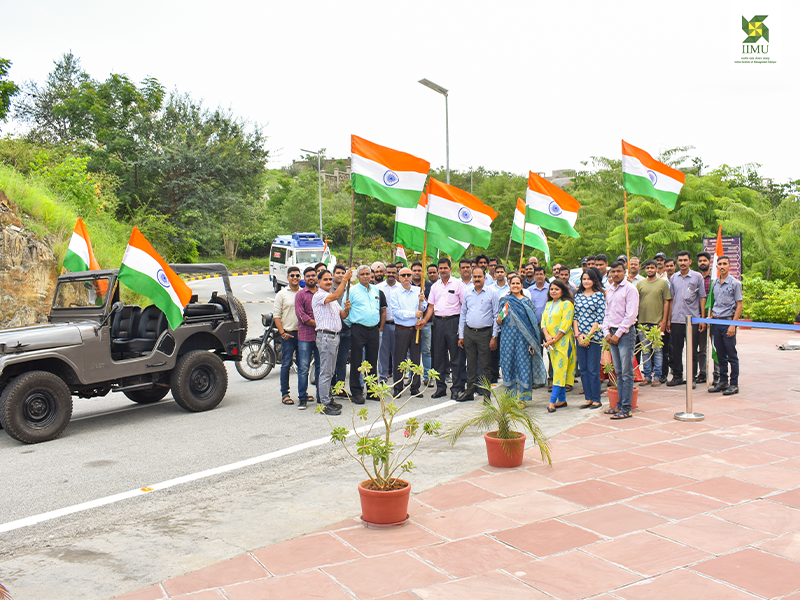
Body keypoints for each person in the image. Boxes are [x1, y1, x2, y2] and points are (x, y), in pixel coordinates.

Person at [421, 257, 465, 399]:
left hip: (453, 322)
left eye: (445, 268)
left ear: (451, 269)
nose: (443, 270)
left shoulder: (458, 284)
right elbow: (431, 307)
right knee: (438, 356)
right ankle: (440, 388)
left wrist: (461, 327)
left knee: (456, 357)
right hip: (438, 323)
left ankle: (457, 388)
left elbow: (464, 307)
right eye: (441, 268)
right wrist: (424, 320)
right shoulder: (435, 287)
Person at [497, 274, 546, 401]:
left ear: (522, 285)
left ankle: (524, 398)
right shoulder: (505, 301)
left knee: (524, 366)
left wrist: (532, 341)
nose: (515, 286)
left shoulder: (526, 302)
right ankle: (511, 399)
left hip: (523, 339)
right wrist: (499, 319)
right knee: (508, 366)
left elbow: (532, 323)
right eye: (513, 283)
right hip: (507, 339)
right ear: (509, 285)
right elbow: (499, 320)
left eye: (518, 283)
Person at [602, 261, 640, 419]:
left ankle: (626, 408)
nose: (616, 274)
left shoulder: (630, 289)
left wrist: (618, 334)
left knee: (626, 372)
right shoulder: (610, 290)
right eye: (613, 272)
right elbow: (607, 314)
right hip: (612, 333)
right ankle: (619, 405)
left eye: (619, 271)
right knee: (617, 372)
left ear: (625, 272)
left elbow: (631, 315)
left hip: (624, 334)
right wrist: (607, 333)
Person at [312, 268, 352, 416]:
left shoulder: (331, 298)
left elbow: (342, 315)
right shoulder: (319, 296)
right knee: (325, 371)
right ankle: (324, 403)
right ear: (319, 282)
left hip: (335, 337)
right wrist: (345, 280)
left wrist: (347, 309)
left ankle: (328, 398)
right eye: (326, 280)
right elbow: (336, 294)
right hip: (326, 337)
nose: (329, 282)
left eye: (330, 279)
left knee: (330, 370)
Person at [457, 268, 499, 401]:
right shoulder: (468, 292)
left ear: (485, 277)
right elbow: (463, 313)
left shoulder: (492, 293)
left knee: (485, 365)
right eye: (474, 276)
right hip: (469, 332)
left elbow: (496, 315)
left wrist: (494, 336)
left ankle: (486, 395)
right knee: (471, 364)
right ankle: (469, 392)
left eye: (479, 276)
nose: (477, 279)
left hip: (485, 333)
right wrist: (461, 335)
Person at [347, 265, 386, 403]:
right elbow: (345, 310)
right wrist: (350, 326)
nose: (365, 276)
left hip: (373, 329)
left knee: (372, 360)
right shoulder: (352, 290)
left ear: (371, 275)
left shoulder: (376, 290)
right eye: (362, 274)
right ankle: (356, 391)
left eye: (367, 274)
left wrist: (379, 328)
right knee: (357, 360)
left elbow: (380, 309)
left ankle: (371, 390)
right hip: (358, 329)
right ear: (357, 277)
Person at [667, 251, 706, 388]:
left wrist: (702, 318)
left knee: (692, 351)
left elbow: (702, 297)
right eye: (680, 260)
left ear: (690, 261)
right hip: (676, 319)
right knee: (676, 350)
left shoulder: (697, 277)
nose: (682, 263)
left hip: (692, 320)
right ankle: (677, 376)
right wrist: (669, 319)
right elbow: (671, 298)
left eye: (685, 260)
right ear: (677, 262)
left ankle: (691, 378)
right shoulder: (674, 278)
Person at [708, 256, 743, 396]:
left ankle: (734, 383)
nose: (722, 266)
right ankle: (723, 381)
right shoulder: (715, 283)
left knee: (731, 354)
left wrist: (733, 324)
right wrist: (711, 316)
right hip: (717, 322)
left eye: (724, 264)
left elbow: (739, 304)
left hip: (728, 321)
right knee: (720, 354)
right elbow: (715, 302)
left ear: (729, 266)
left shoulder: (735, 283)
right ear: (716, 267)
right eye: (719, 264)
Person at [573, 268, 606, 409]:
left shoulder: (599, 295)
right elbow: (575, 317)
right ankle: (588, 398)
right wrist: (578, 335)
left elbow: (600, 317)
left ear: (594, 280)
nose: (586, 281)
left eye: (589, 279)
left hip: (594, 337)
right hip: (580, 337)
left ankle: (596, 399)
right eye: (584, 279)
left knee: (593, 369)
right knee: (583, 369)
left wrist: (589, 336)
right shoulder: (578, 295)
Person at [541, 279, 576, 412]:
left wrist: (554, 339)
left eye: (557, 289)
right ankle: (561, 400)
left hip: (563, 342)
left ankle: (552, 402)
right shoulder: (549, 304)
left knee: (560, 371)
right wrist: (547, 336)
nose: (553, 291)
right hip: (551, 342)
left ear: (562, 291)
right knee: (556, 369)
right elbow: (543, 321)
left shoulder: (567, 304)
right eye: (552, 289)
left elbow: (565, 325)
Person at [391, 267, 426, 396]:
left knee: (416, 359)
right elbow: (396, 312)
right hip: (402, 329)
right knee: (400, 359)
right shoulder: (395, 292)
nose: (406, 277)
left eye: (408, 275)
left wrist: (423, 301)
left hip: (415, 329)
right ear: (399, 277)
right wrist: (414, 314)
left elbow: (423, 308)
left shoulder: (418, 290)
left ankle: (415, 387)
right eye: (403, 275)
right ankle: (398, 387)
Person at [636, 260, 671, 386]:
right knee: (645, 350)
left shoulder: (663, 283)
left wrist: (664, 321)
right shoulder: (640, 284)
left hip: (657, 323)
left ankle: (657, 376)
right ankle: (647, 376)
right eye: (648, 268)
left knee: (657, 351)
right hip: (642, 323)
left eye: (652, 268)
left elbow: (667, 302)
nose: (650, 270)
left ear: (657, 269)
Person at [274, 265, 301, 406]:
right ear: (288, 277)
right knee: (286, 364)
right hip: (288, 335)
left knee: (303, 366)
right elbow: (276, 316)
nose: (295, 278)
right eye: (292, 275)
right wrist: (282, 333)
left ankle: (303, 393)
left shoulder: (303, 293)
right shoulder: (282, 294)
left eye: (297, 275)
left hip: (303, 335)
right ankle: (285, 394)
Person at [295, 267, 321, 409]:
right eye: (308, 276)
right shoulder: (300, 295)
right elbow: (301, 316)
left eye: (313, 275)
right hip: (305, 337)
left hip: (320, 337)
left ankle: (320, 396)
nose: (311, 278)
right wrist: (319, 323)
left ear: (316, 277)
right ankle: (302, 397)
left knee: (320, 367)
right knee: (304, 368)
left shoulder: (322, 293)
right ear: (304, 279)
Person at [696, 251, 717, 385]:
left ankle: (718, 373)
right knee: (701, 348)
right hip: (699, 317)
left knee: (715, 347)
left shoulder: (714, 278)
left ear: (709, 262)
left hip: (714, 316)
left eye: (705, 260)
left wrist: (713, 313)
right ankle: (702, 373)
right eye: (700, 261)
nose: (702, 263)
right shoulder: (696, 278)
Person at [411, 261, 433, 385]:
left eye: (419, 270)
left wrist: (424, 299)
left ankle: (427, 376)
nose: (417, 272)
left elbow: (431, 305)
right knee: (411, 352)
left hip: (426, 323)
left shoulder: (429, 286)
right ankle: (411, 375)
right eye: (414, 270)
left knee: (426, 350)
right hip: (411, 324)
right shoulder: (407, 285)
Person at [377, 264, 399, 383]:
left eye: (393, 272)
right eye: (389, 272)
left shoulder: (401, 287)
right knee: (383, 353)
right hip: (383, 325)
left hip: (398, 325)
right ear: (385, 273)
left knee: (398, 354)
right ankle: (382, 378)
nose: (391, 274)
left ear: (397, 274)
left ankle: (397, 380)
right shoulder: (378, 287)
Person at [331, 264, 351, 394]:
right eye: (338, 272)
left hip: (346, 330)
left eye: (343, 273)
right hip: (332, 332)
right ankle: (330, 387)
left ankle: (340, 388)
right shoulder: (328, 289)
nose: (340, 275)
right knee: (331, 361)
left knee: (342, 361)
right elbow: (335, 297)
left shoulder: (350, 290)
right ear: (333, 275)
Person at [487, 264, 507, 382]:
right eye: (497, 272)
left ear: (505, 273)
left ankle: (507, 375)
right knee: (493, 349)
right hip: (493, 322)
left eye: (501, 271)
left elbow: (508, 305)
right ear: (494, 274)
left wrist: (502, 316)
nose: (499, 273)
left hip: (507, 323)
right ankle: (493, 375)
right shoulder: (490, 288)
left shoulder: (510, 288)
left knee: (505, 350)